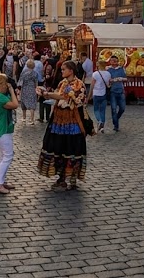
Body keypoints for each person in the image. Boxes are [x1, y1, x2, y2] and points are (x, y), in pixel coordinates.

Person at [37, 60, 87, 191]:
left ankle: (72, 177)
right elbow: (59, 96)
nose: (62, 71)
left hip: (72, 122)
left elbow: (64, 97)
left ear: (71, 71)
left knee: (72, 148)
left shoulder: (79, 84)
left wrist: (47, 94)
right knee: (58, 147)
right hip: (59, 121)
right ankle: (62, 177)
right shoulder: (62, 83)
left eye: (64, 69)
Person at [0, 74, 19, 194]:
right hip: (2, 129)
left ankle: (1, 180)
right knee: (8, 155)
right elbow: (15, 104)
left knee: (2, 155)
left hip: (2, 128)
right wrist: (12, 91)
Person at [106, 55, 127, 132]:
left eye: (115, 60)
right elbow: (107, 80)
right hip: (112, 91)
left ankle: (116, 118)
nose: (113, 62)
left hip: (121, 91)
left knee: (122, 108)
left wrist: (120, 79)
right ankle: (116, 125)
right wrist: (111, 80)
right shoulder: (108, 70)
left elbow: (126, 78)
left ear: (117, 61)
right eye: (112, 60)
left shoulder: (121, 69)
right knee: (113, 109)